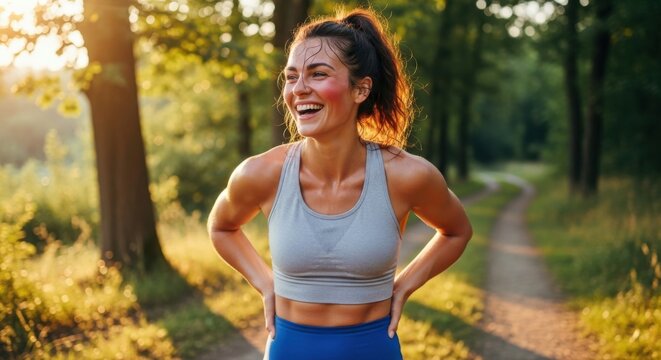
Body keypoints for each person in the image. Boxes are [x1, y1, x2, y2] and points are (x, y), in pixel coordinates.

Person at [207, 8, 472, 360]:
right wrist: (265, 284)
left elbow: (457, 230)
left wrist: (405, 286)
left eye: (318, 74)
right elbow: (221, 226)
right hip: (290, 348)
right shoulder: (261, 173)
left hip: (372, 347)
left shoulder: (406, 175)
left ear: (361, 89)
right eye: (291, 77)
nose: (299, 89)